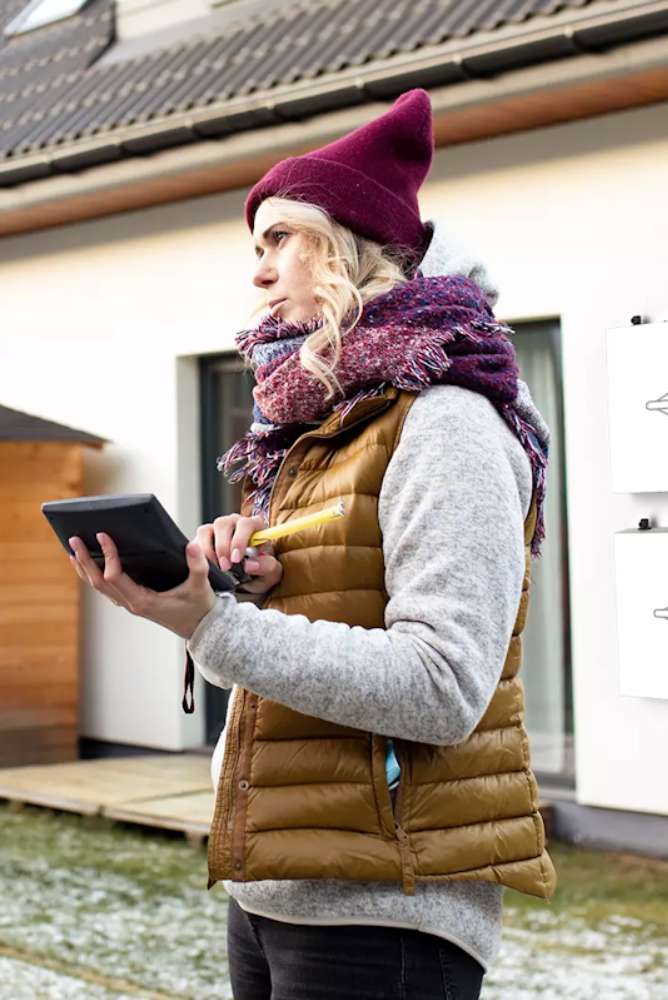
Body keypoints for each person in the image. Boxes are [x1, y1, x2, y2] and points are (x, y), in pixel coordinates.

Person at [66, 88, 556, 999]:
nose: (258, 272)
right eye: (255, 247)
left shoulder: (446, 420)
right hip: (278, 881)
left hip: (387, 905)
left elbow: (443, 687)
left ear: (357, 249)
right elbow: (301, 637)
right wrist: (238, 585)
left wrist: (216, 626)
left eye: (281, 239)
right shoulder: (317, 426)